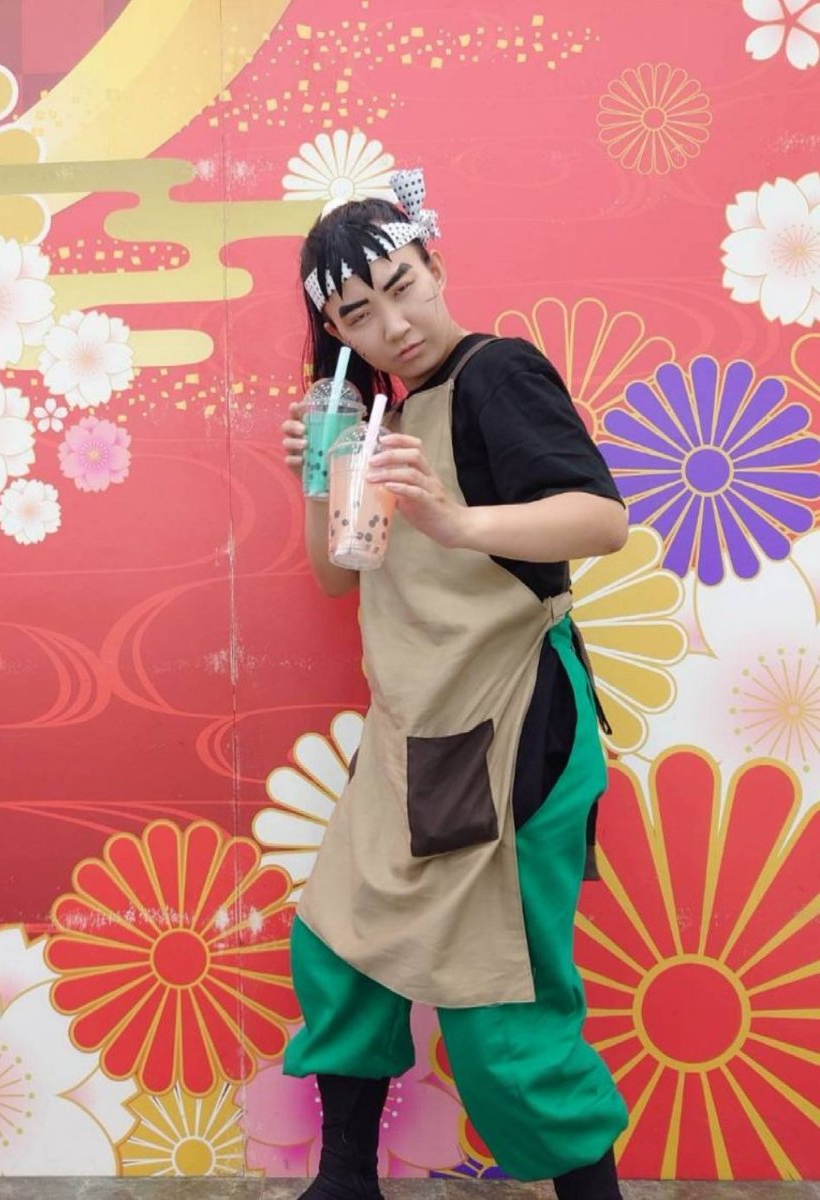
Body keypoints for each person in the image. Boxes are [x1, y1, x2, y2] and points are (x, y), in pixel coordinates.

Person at [278, 169, 630, 1200]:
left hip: (508, 721)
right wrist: (318, 474)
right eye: (359, 313)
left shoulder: (495, 373)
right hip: (412, 730)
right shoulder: (384, 417)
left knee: (497, 998)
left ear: (435, 264)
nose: (394, 324)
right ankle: (345, 1180)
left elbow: (600, 520)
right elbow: (337, 575)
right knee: (339, 947)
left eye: (402, 286)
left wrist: (457, 519)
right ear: (337, 330)